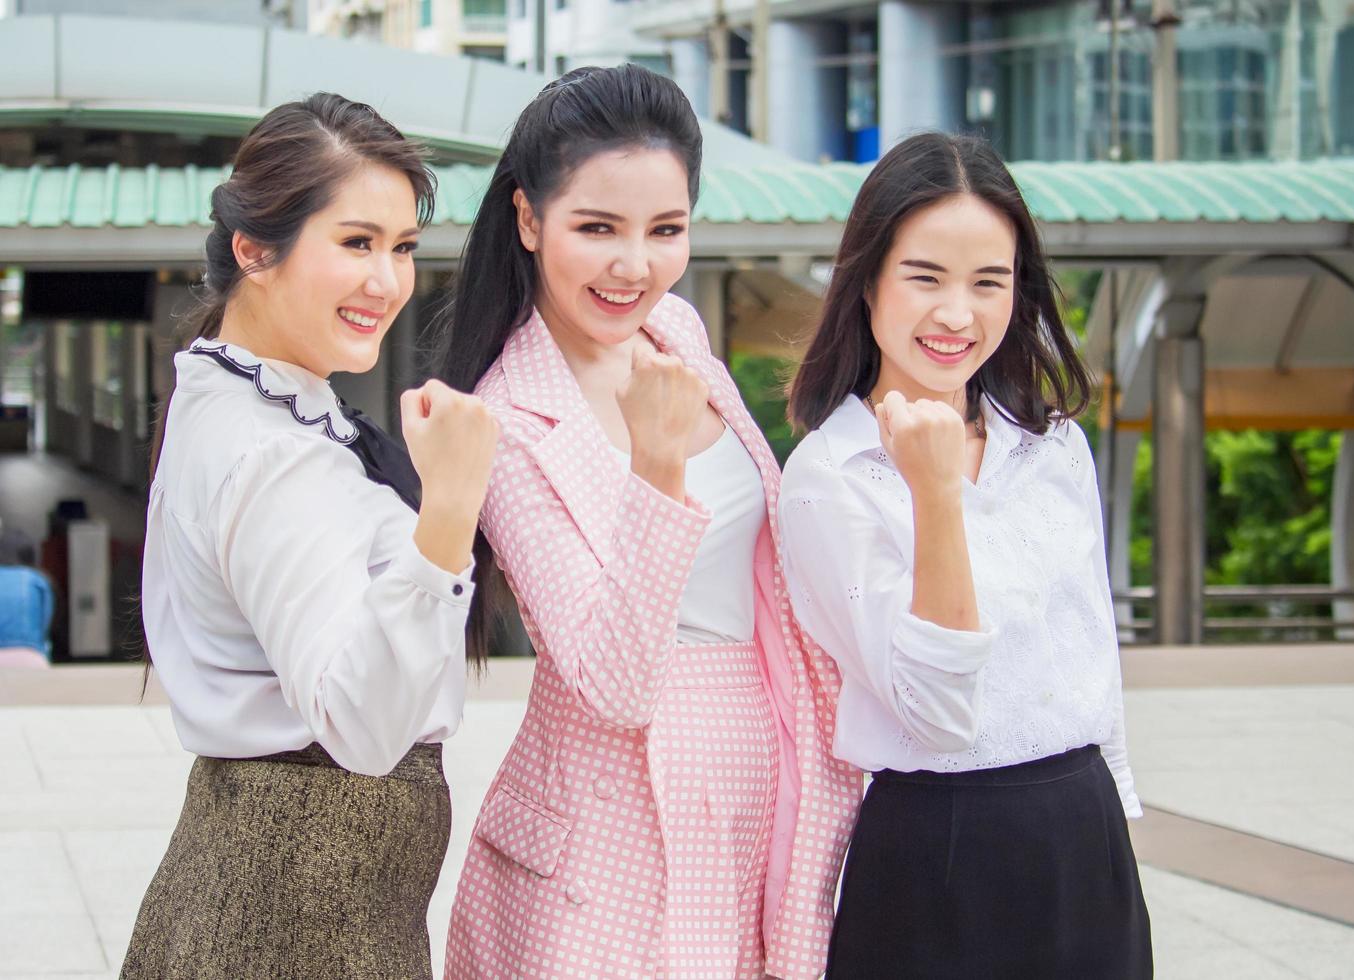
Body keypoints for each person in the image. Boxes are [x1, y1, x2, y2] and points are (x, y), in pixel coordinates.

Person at [436, 64, 862, 980]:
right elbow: (612, 683)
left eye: (665, 230)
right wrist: (657, 469)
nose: (635, 265)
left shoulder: (677, 332)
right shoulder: (508, 420)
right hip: (606, 837)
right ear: (527, 219)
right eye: (597, 228)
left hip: (759, 787)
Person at [121, 93, 497, 980]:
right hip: (301, 904)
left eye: (402, 247)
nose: (387, 281)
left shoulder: (247, 404)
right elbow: (362, 729)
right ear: (255, 250)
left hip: (276, 877)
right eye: (356, 243)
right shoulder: (271, 451)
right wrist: (450, 506)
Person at [779, 131, 1152, 979]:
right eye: (925, 277)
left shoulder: (1053, 447)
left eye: (990, 281)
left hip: (1083, 833)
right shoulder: (828, 479)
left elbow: (1091, 640)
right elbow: (936, 712)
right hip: (937, 849)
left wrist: (1115, 818)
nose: (958, 314)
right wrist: (936, 494)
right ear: (866, 280)